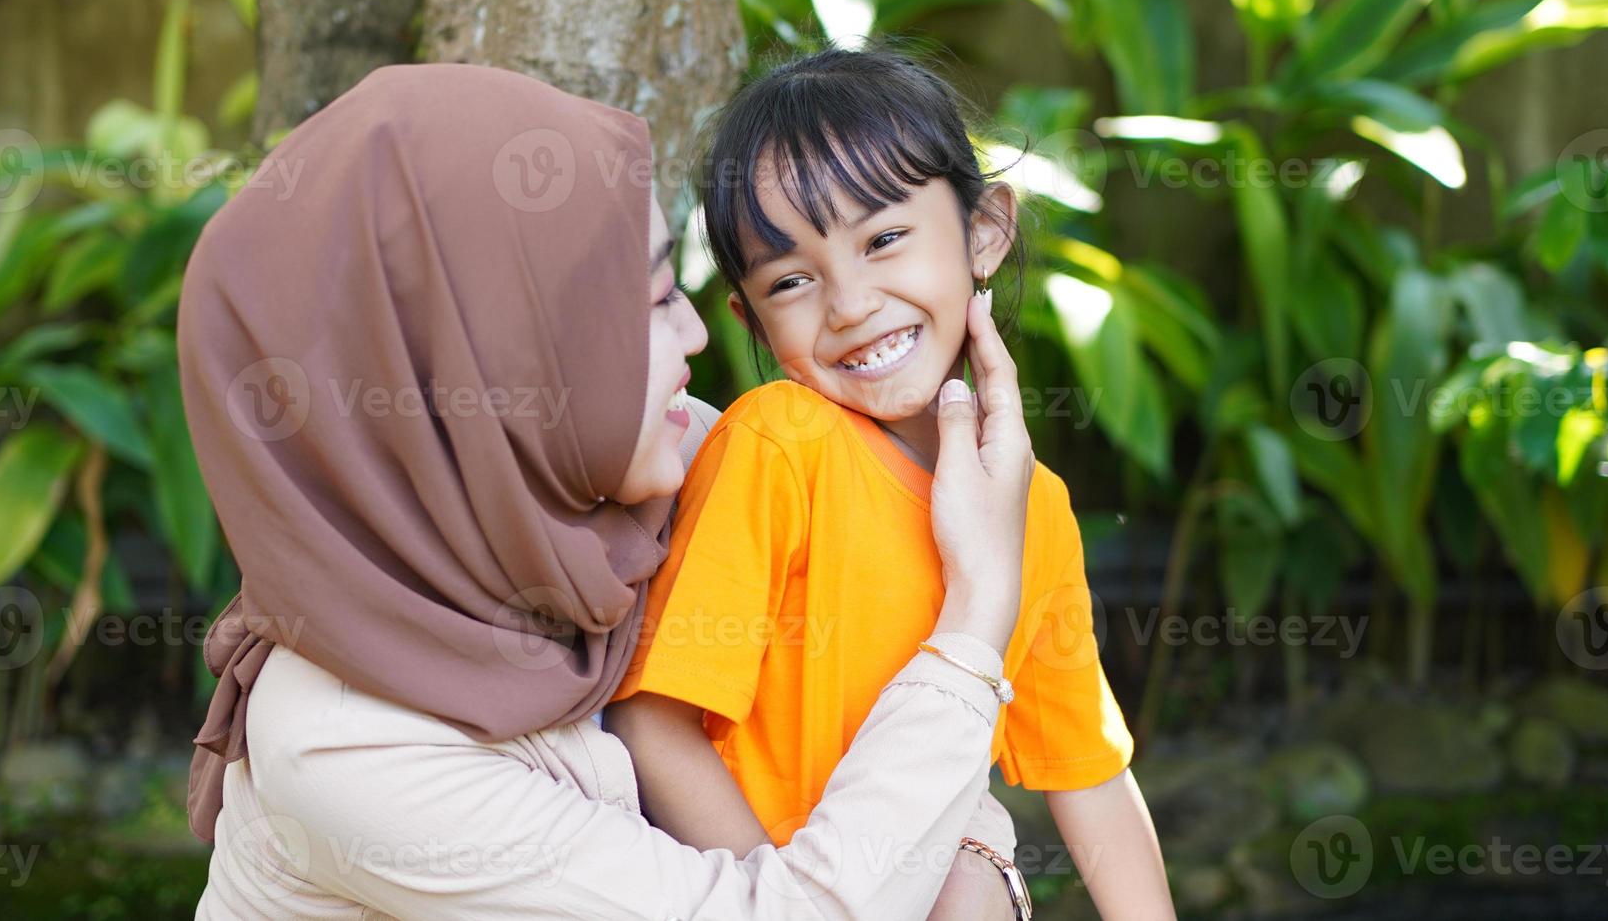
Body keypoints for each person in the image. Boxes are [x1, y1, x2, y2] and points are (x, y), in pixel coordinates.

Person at [181, 61, 1037, 919]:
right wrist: (978, 610)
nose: (700, 332)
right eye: (657, 305)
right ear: (487, 380)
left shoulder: (682, 468)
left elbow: (873, 739)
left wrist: (974, 855)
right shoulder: (349, 744)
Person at [606, 47, 1175, 920]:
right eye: (792, 280)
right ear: (748, 315)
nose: (851, 304)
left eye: (884, 240)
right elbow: (656, 727)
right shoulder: (779, 442)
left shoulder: (1034, 505)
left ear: (985, 231)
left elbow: (1089, 776)